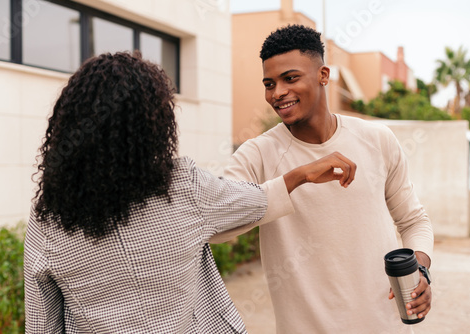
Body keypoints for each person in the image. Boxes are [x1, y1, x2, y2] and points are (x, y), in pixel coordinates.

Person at [24, 51, 357, 333]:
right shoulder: (181, 186)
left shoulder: (47, 219)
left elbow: (42, 325)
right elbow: (258, 200)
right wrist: (301, 174)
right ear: (153, 125)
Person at [211, 24, 433, 333]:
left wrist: (420, 268)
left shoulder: (377, 139)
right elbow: (214, 225)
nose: (277, 93)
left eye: (290, 78)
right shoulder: (257, 154)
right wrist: (298, 177)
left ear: (323, 75)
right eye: (269, 83)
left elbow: (413, 221)